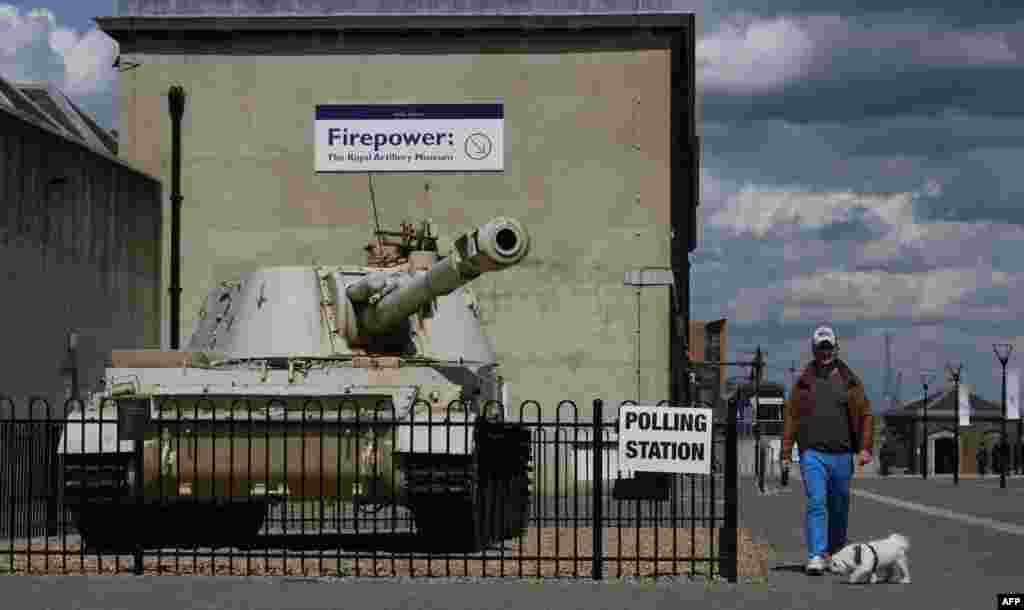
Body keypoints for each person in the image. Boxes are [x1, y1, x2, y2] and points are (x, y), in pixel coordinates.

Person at [780, 325, 873, 575]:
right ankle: (816, 555)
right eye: (821, 348)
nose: (825, 352)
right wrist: (786, 453)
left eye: (829, 347)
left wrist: (864, 448)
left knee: (840, 505)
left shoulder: (850, 381)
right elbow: (791, 417)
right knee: (817, 502)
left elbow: (865, 413)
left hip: (843, 454)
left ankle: (836, 553)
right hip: (813, 454)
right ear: (813, 350)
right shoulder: (803, 383)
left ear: (836, 349)